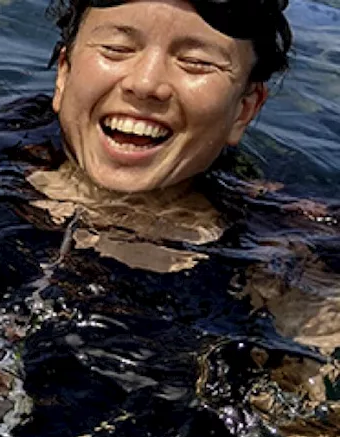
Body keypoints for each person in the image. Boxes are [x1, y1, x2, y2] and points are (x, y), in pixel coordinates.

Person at [24, 0, 295, 273]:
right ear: (64, 73)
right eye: (116, 48)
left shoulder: (278, 253)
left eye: (196, 62)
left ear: (243, 110)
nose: (145, 84)